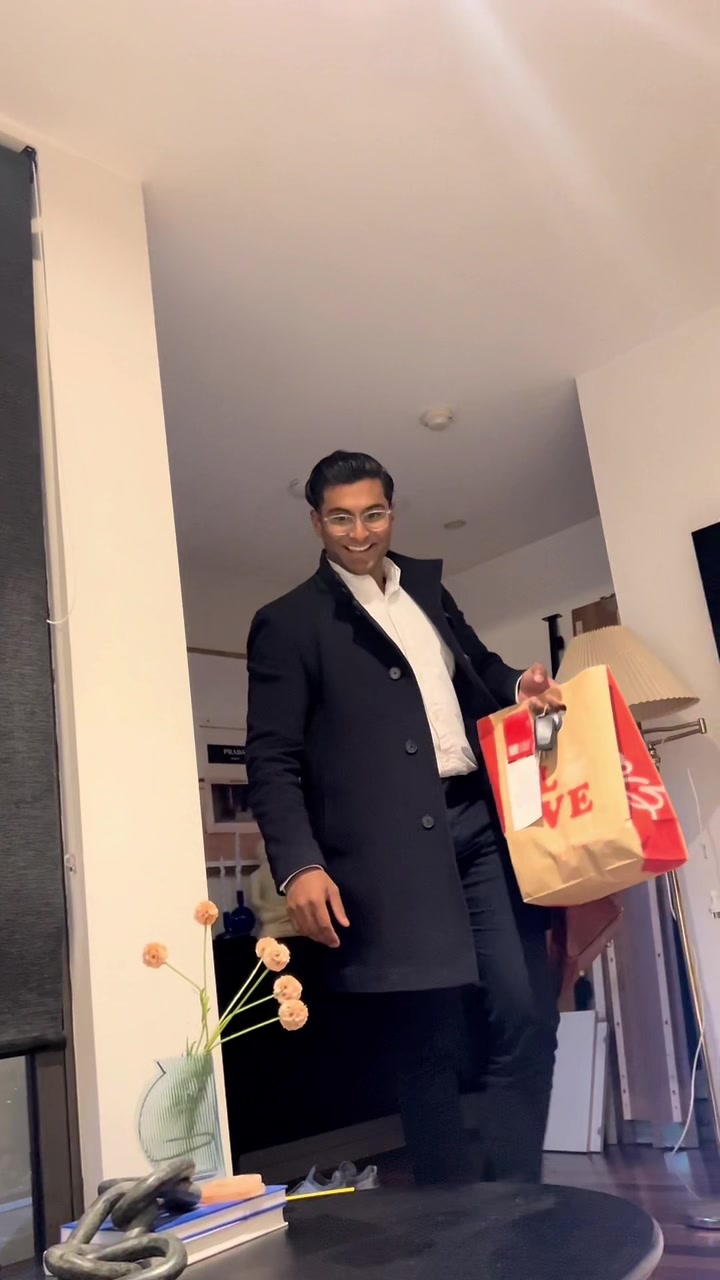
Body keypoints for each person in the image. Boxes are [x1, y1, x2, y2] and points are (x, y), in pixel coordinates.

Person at [246, 450, 562, 1185]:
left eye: (374, 513)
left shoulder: (426, 587)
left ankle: (518, 1201)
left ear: (392, 510)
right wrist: (299, 864)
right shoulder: (288, 623)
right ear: (316, 521)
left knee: (527, 1016)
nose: (360, 532)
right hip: (387, 859)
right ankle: (451, 1219)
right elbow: (272, 758)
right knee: (429, 1044)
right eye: (341, 518)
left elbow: (478, 667)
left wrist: (517, 685)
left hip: (478, 825)